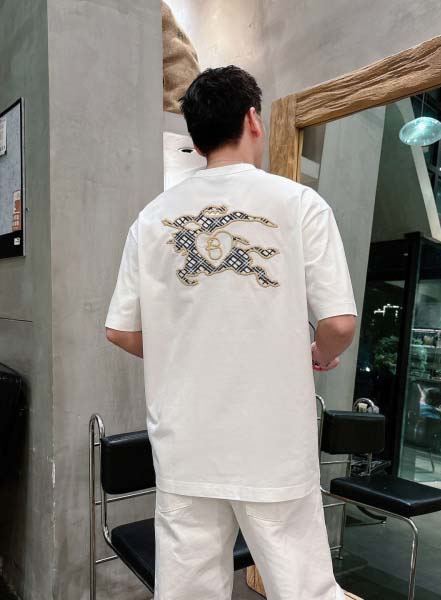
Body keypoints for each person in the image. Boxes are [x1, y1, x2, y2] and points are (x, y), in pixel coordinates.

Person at [105, 65, 357, 600]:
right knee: (305, 590)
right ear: (253, 120)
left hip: (186, 444)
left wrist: (180, 349)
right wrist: (315, 352)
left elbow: (120, 331)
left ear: (196, 141)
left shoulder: (151, 220)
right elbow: (338, 323)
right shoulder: (300, 204)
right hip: (273, 444)